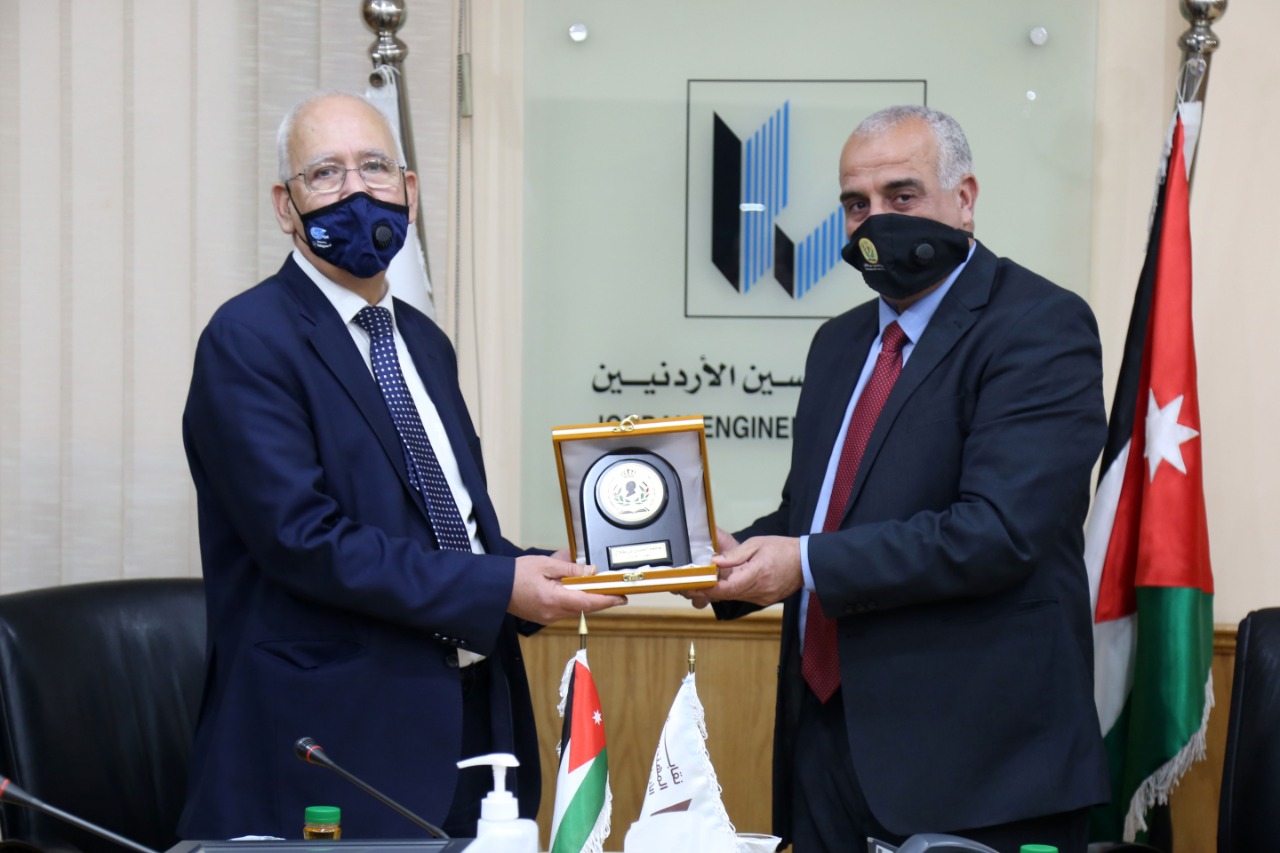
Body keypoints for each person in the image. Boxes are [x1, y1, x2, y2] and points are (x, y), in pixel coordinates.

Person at [178, 91, 624, 841]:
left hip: (473, 724)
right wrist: (499, 585)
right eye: (326, 173)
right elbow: (304, 540)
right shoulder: (248, 339)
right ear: (286, 206)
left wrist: (546, 570)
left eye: (375, 167)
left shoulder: (422, 341)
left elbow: (451, 529)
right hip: (336, 746)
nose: (356, 192)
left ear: (409, 191)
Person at [688, 105, 1110, 853]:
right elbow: (815, 516)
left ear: (964, 199)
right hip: (824, 746)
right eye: (857, 204)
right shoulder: (839, 343)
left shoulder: (1039, 325)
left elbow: (998, 531)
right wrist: (719, 559)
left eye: (901, 196)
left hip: (979, 766)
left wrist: (803, 561)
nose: (875, 220)